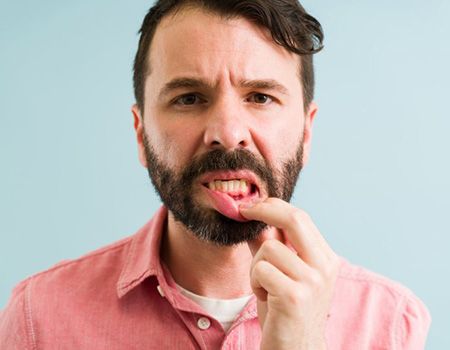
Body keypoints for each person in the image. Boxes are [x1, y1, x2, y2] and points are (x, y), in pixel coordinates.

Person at [0, 0, 431, 349]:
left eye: (260, 97)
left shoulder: (391, 324)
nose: (227, 134)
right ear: (140, 134)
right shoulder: (38, 317)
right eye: (189, 98)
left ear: (306, 133)